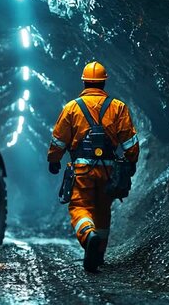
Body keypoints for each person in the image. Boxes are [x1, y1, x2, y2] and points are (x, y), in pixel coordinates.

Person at [47, 61, 140, 272]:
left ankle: (89, 236)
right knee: (102, 211)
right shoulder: (118, 107)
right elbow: (130, 142)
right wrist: (131, 162)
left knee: (80, 206)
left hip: (81, 170)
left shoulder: (72, 108)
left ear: (84, 81)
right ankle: (99, 255)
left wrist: (54, 160)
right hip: (109, 170)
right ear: (104, 82)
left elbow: (59, 140)